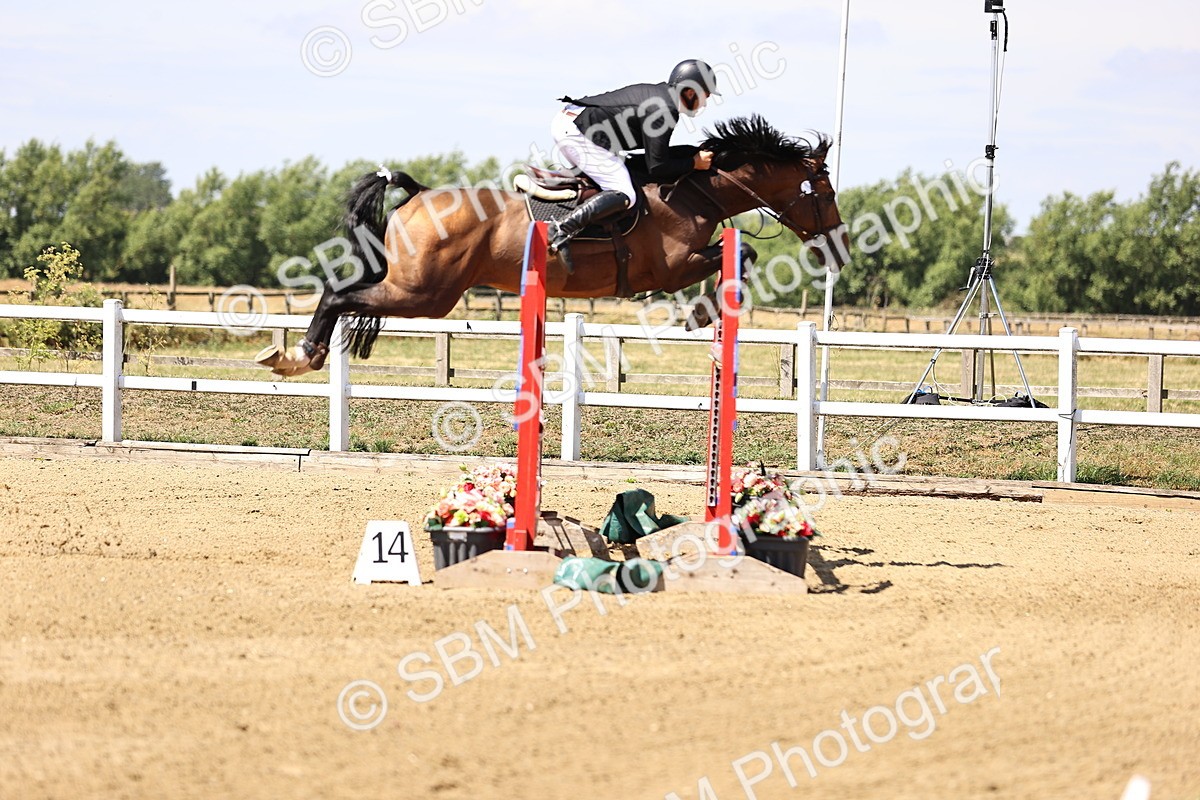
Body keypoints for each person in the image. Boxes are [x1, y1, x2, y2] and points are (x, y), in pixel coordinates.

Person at [547, 59, 720, 271]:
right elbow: (657, 167)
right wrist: (693, 163)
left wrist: (690, 155)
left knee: (622, 174)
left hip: (574, 123)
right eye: (705, 96)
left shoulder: (662, 98)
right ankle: (562, 228)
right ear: (691, 92)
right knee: (625, 193)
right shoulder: (665, 110)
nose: (704, 104)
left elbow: (652, 159)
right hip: (576, 132)